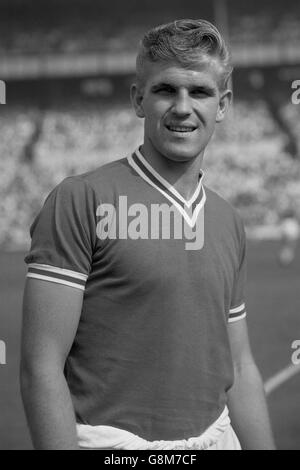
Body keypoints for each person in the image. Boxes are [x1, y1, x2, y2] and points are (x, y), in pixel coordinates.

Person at [20, 19, 275, 450]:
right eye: (164, 90)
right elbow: (40, 366)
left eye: (199, 92)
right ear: (138, 98)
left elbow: (240, 364)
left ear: (223, 104)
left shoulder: (228, 220)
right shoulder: (79, 199)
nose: (182, 107)